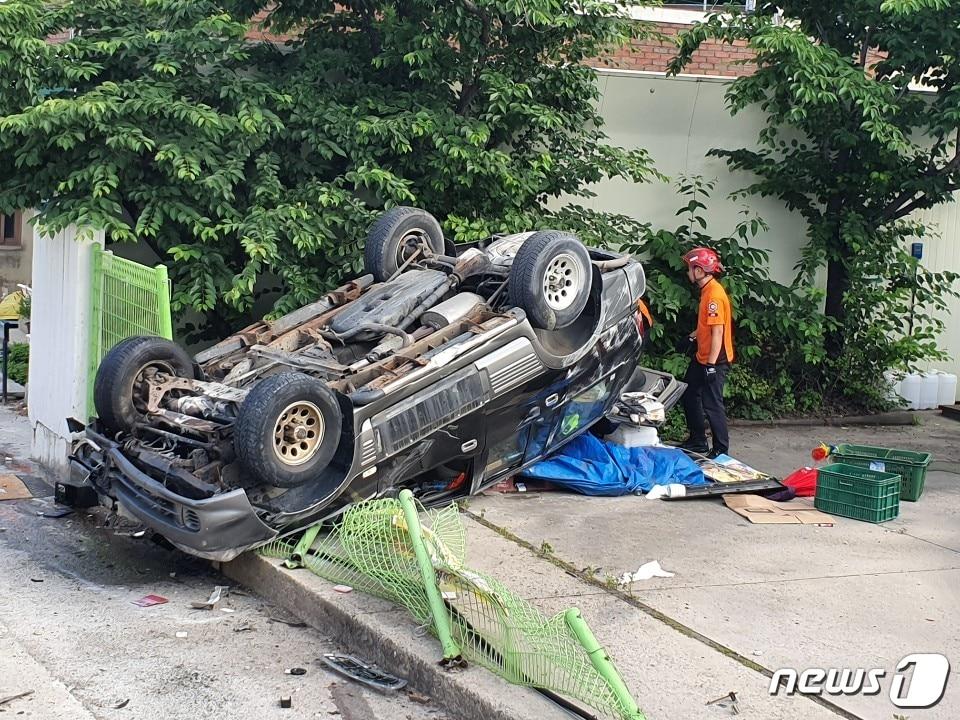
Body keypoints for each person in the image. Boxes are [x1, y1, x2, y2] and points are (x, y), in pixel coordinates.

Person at [678, 247, 734, 458]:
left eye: (690, 268)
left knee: (712, 403)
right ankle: (698, 440)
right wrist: (691, 337)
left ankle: (721, 450)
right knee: (689, 393)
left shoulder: (714, 296)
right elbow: (706, 326)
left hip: (715, 359)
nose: (687, 272)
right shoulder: (707, 291)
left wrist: (710, 366)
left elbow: (718, 332)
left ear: (700, 271)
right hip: (703, 355)